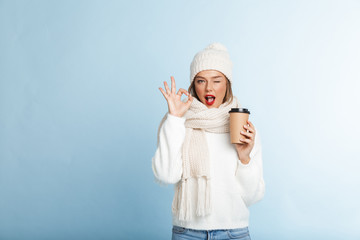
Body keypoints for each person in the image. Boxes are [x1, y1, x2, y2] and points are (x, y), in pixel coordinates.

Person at [152, 43, 265, 240]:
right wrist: (174, 119)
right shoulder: (180, 121)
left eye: (216, 80)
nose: (209, 88)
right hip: (187, 233)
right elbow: (166, 175)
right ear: (193, 85)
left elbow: (252, 197)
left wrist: (244, 158)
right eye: (201, 81)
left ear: (227, 83)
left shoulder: (243, 127)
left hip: (234, 232)